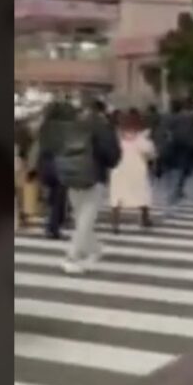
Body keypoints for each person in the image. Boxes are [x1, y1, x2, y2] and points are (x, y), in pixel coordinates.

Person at [49, 103, 120, 274]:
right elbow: (112, 155)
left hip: (71, 175)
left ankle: (95, 249)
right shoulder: (101, 127)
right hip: (94, 176)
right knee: (85, 219)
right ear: (102, 111)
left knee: (81, 216)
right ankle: (71, 257)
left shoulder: (71, 126)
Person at [109, 110, 156, 233]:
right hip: (137, 169)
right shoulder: (140, 138)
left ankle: (115, 223)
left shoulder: (117, 137)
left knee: (117, 197)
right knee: (142, 194)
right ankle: (145, 219)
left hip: (119, 168)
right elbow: (150, 151)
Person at [36, 102, 76, 240]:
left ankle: (51, 224)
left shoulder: (44, 127)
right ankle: (53, 227)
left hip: (45, 163)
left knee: (53, 198)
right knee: (59, 199)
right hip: (60, 164)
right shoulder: (68, 128)